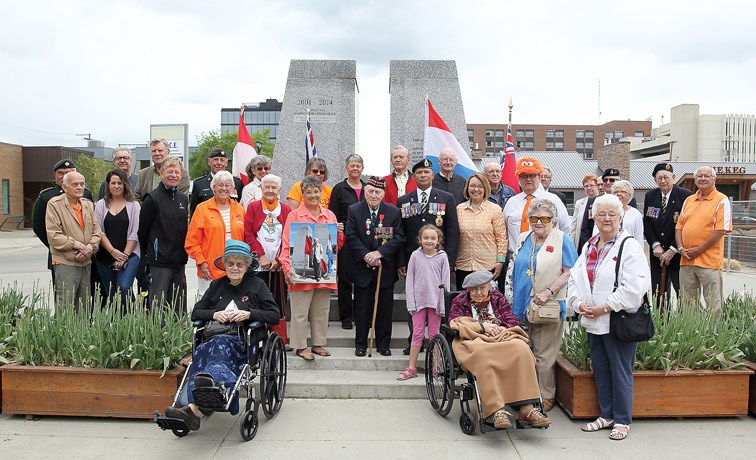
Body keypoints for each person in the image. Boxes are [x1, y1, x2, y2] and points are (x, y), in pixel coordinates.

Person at [165, 240, 280, 431]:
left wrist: (249, 314)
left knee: (217, 351)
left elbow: (274, 315)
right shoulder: (217, 285)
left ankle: (195, 407)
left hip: (241, 341)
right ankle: (194, 407)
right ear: (225, 265)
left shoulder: (257, 285)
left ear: (247, 265)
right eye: (230, 263)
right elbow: (196, 312)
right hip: (211, 341)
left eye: (239, 264)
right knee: (202, 355)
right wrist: (213, 314)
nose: (235, 268)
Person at [567, 194, 650, 441]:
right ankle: (607, 415)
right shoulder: (589, 245)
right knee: (601, 368)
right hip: (593, 320)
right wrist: (578, 303)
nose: (606, 218)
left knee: (621, 370)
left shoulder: (629, 246)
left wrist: (605, 307)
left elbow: (635, 287)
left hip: (617, 320)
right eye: (601, 213)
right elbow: (575, 278)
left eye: (612, 214)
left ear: (620, 217)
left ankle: (622, 419)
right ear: (593, 216)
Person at [449, 271, 552, 429]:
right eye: (474, 289)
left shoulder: (498, 298)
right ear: (468, 290)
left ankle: (527, 408)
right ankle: (496, 410)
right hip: (475, 340)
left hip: (502, 337)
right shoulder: (460, 301)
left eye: (482, 288)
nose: (478, 293)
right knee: (482, 355)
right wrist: (482, 327)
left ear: (489, 286)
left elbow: (511, 320)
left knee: (522, 349)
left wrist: (500, 328)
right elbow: (455, 323)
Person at [507, 199, 577, 413]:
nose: (539, 222)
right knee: (524, 353)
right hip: (521, 304)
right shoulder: (523, 238)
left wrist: (549, 291)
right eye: (534, 218)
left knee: (544, 356)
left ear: (553, 220)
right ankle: (525, 394)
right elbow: (515, 266)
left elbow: (571, 271)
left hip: (548, 305)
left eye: (544, 218)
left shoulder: (562, 239)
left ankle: (546, 395)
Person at [397, 158, 459, 355]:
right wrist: (401, 261)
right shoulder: (404, 200)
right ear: (413, 177)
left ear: (432, 175)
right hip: (413, 259)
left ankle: (438, 340)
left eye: (426, 172)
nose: (423, 175)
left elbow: (452, 230)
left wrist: (448, 259)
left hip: (438, 260)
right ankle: (414, 339)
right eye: (419, 173)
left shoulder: (446, 197)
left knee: (439, 299)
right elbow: (401, 234)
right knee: (414, 298)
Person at [280, 176, 344, 361]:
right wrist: (286, 268)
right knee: (300, 312)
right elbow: (286, 244)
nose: (313, 195)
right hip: (300, 271)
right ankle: (300, 346)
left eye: (316, 191)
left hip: (324, 271)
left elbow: (336, 246)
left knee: (321, 310)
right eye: (309, 192)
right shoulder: (294, 216)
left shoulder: (329, 215)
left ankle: (318, 344)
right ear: (303, 194)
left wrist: (339, 234)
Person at [345, 177, 405, 357]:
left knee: (384, 310)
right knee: (362, 309)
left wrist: (379, 253)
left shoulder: (393, 212)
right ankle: (361, 344)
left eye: (377, 192)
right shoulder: (354, 210)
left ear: (383, 194)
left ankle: (383, 344)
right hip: (362, 268)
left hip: (384, 269)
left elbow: (398, 237)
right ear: (365, 192)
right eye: (370, 191)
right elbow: (351, 236)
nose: (373, 195)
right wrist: (367, 256)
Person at [675, 166, 732, 312]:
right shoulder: (689, 200)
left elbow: (720, 231)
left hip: (709, 262)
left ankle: (713, 334)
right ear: (695, 179)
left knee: (713, 303)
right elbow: (679, 227)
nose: (703, 179)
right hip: (686, 259)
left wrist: (698, 250)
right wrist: (681, 249)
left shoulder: (721, 200)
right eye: (699, 176)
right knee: (687, 303)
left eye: (707, 176)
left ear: (714, 179)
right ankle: (691, 333)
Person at [397, 224, 450, 381]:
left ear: (438, 240)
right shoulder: (415, 256)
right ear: (420, 239)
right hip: (419, 302)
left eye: (433, 238)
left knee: (435, 335)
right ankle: (411, 368)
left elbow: (445, 282)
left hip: (435, 302)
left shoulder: (442, 257)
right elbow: (410, 280)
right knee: (417, 334)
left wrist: (442, 305)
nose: (429, 241)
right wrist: (411, 303)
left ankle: (435, 368)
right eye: (425, 238)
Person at [138, 156, 189, 313]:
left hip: (178, 260)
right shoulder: (152, 198)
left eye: (177, 172)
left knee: (177, 304)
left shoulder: (182, 199)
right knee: (158, 306)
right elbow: (143, 232)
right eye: (169, 171)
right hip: (159, 260)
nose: (173, 175)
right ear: (161, 173)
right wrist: (149, 255)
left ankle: (176, 336)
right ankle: (159, 336)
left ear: (181, 176)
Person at [32, 159, 94, 285]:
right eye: (61, 173)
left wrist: (86, 249)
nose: (65, 176)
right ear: (55, 175)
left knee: (85, 297)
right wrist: (58, 246)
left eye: (69, 172)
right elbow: (39, 227)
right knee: (64, 297)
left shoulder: (86, 194)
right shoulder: (47, 197)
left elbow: (92, 226)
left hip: (85, 256)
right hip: (61, 256)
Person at [45, 171, 101, 312]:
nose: (79, 187)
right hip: (66, 262)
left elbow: (97, 232)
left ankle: (82, 334)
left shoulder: (88, 205)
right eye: (75, 184)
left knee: (84, 306)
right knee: (66, 305)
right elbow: (54, 236)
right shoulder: (54, 205)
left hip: (86, 261)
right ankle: (63, 334)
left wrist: (89, 248)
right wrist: (79, 246)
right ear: (64, 186)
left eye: (82, 184)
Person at [185, 171, 246, 297]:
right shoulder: (202, 209)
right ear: (213, 188)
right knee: (209, 305)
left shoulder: (240, 209)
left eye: (227, 185)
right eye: (220, 185)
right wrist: (202, 262)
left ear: (232, 188)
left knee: (233, 305)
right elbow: (192, 242)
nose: (224, 188)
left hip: (235, 268)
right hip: (210, 268)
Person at [244, 174, 291, 327]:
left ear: (279, 190)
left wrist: (279, 261)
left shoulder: (285, 209)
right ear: (262, 188)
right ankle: (258, 334)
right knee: (257, 299)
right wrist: (261, 257)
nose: (270, 190)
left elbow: (288, 237)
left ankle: (277, 335)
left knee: (278, 300)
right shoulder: (253, 207)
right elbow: (248, 234)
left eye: (274, 187)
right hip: (258, 264)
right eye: (267, 187)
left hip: (278, 266)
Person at [643, 163, 692, 305]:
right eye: (659, 178)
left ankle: (684, 323)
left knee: (682, 292)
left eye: (666, 177)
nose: (663, 181)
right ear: (655, 180)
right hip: (657, 253)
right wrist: (655, 245)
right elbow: (647, 222)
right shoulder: (651, 196)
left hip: (677, 253)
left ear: (674, 177)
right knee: (659, 292)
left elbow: (686, 225)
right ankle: (663, 323)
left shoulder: (686, 196)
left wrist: (672, 249)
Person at [503, 157, 570, 258]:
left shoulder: (553, 199)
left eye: (532, 175)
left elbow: (565, 227)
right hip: (516, 256)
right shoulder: (511, 202)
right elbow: (504, 232)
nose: (528, 179)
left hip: (547, 255)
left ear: (539, 177)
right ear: (518, 179)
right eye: (524, 176)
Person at [328, 154, 365, 329]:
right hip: (345, 241)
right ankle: (346, 317)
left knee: (362, 279)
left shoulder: (368, 188)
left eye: (358, 165)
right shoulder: (339, 189)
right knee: (344, 280)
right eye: (352, 165)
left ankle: (360, 315)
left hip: (364, 241)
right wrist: (337, 227)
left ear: (362, 168)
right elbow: (332, 215)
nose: (355, 168)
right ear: (346, 168)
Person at [94, 169, 141, 307]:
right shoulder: (101, 205)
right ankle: (119, 324)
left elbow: (135, 232)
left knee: (124, 287)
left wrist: (124, 256)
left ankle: (130, 318)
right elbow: (99, 231)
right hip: (105, 255)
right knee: (113, 294)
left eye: (120, 183)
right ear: (108, 185)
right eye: (113, 183)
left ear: (125, 184)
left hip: (130, 254)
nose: (116, 186)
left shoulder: (134, 205)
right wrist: (113, 251)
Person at [455, 172, 507, 291]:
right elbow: (455, 237)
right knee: (464, 303)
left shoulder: (494, 210)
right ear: (467, 188)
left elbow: (501, 239)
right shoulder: (459, 209)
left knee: (485, 302)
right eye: (472, 186)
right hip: (464, 265)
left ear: (485, 188)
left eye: (480, 186)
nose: (476, 189)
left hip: (487, 265)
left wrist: (500, 262)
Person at [578, 168, 637, 253]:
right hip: (598, 247)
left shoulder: (629, 200)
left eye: (612, 180)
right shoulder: (594, 201)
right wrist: (588, 249)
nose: (608, 182)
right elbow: (586, 229)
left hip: (625, 248)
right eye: (605, 180)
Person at [189, 148, 243, 215]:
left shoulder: (237, 183)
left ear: (226, 163)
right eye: (216, 160)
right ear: (209, 162)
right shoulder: (199, 184)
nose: (219, 163)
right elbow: (194, 212)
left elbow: (240, 207)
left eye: (222, 160)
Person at [607, 180, 644, 244]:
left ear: (629, 195)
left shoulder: (635, 214)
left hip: (629, 248)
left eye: (623, 192)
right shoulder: (606, 211)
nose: (619, 194)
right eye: (616, 192)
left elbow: (639, 237)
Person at [570, 174, 600, 248]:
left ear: (597, 186)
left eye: (591, 185)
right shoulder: (579, 203)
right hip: (582, 241)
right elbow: (574, 225)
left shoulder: (602, 201)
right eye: (586, 186)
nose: (589, 188)